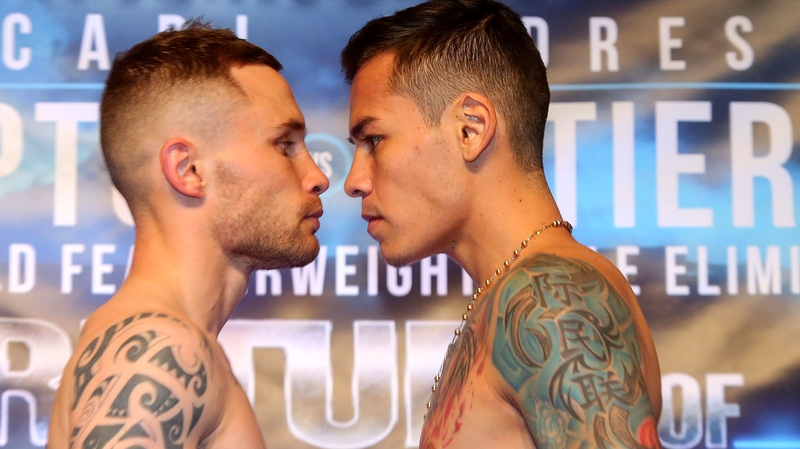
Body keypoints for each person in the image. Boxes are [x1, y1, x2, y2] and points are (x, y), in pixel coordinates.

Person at [341, 1, 662, 448]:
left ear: (471, 129)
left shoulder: (551, 300)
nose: (354, 181)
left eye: (374, 140)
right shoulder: (515, 294)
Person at [47, 21, 328, 448]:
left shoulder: (163, 341)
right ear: (189, 170)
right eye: (284, 145)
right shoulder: (155, 350)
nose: (318, 176)